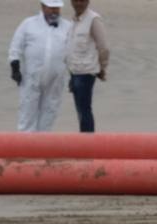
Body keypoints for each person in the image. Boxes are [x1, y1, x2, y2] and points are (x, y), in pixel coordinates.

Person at [9, 0, 73, 133]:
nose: (55, 11)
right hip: (31, 79)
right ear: (43, 6)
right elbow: (16, 46)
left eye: (57, 8)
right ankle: (24, 148)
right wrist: (15, 66)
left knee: (49, 114)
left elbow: (72, 53)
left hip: (55, 81)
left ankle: (42, 148)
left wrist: (73, 76)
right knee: (27, 113)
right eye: (51, 7)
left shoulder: (68, 27)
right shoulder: (28, 24)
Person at [65, 0, 109, 133]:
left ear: (88, 1)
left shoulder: (94, 20)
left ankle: (88, 143)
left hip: (86, 73)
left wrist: (102, 68)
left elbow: (104, 48)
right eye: (76, 0)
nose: (79, 3)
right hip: (74, 72)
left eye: (82, 0)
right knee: (80, 111)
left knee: (84, 110)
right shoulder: (74, 21)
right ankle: (85, 141)